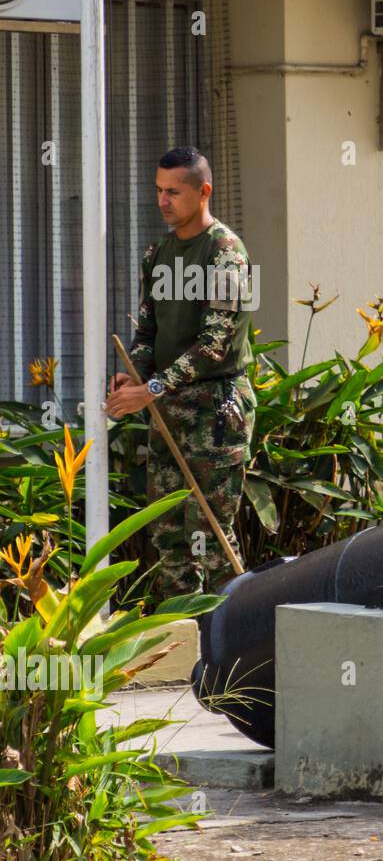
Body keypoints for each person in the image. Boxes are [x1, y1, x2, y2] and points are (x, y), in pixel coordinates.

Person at [106, 147, 255, 600]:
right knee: (169, 536)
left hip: (215, 410)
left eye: (174, 191)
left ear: (203, 191)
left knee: (210, 534)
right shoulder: (158, 254)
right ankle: (182, 639)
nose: (163, 201)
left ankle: (237, 640)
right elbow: (147, 328)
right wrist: (135, 373)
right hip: (168, 410)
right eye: (158, 191)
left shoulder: (226, 253)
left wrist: (149, 389)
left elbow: (215, 345)